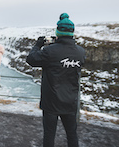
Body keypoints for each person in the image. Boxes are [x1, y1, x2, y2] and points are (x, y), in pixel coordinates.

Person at [26, 13, 85, 147]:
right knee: (71, 134)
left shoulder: (50, 51)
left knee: (49, 134)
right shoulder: (80, 52)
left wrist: (38, 45)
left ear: (58, 32)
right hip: (70, 101)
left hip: (51, 102)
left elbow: (31, 59)